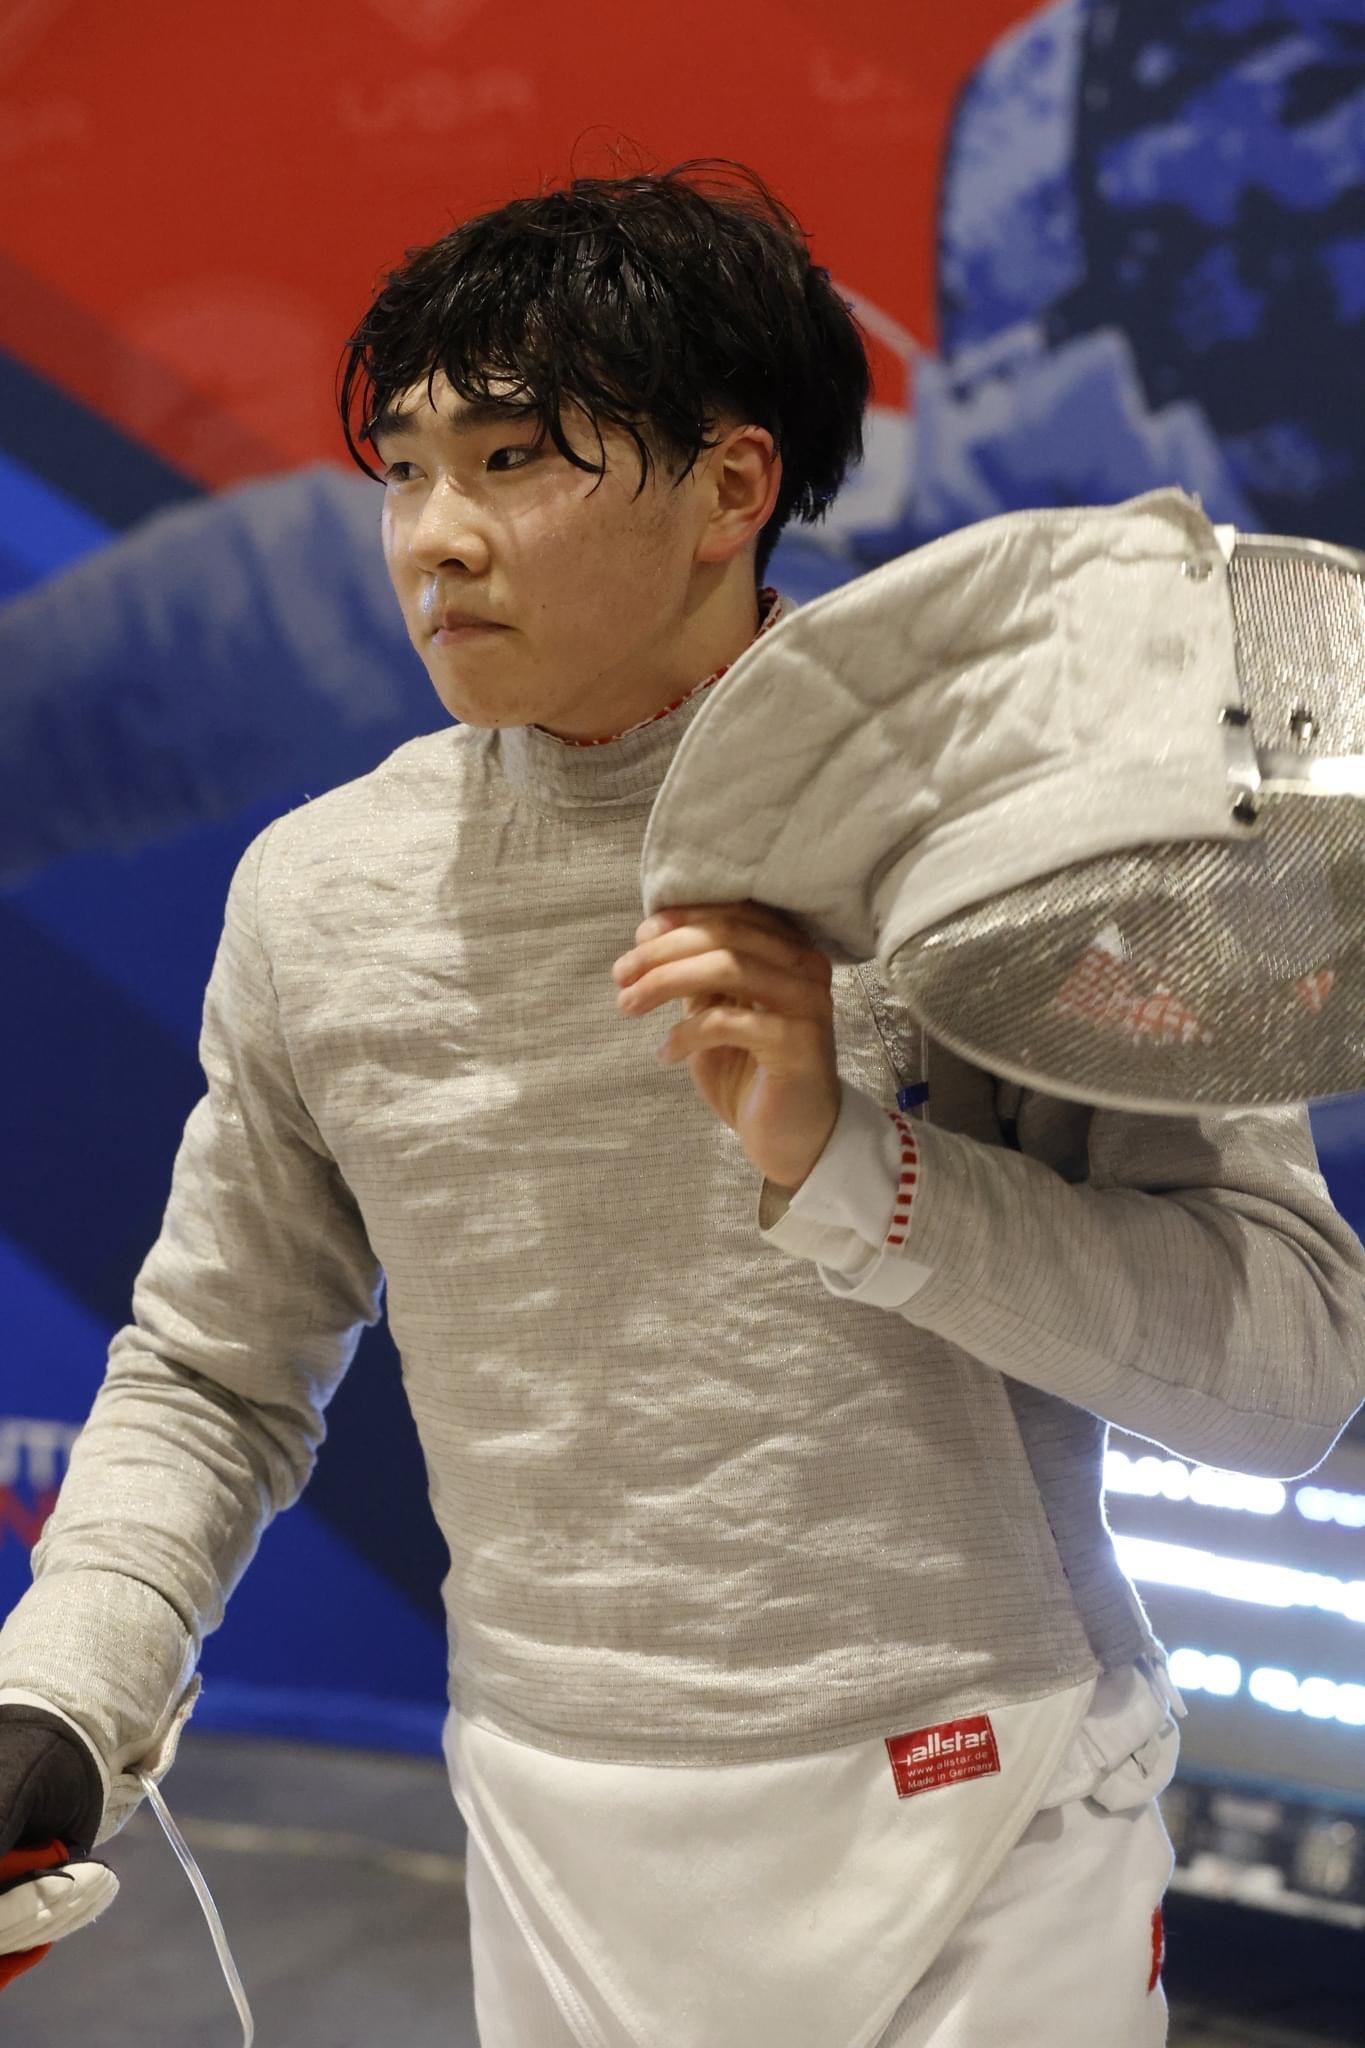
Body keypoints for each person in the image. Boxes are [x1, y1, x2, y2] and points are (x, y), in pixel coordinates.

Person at [1, 158, 1363, 2048]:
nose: (433, 539)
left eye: (512, 461)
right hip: (554, 1826)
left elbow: (1287, 1368)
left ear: (731, 488)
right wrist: (61, 1699)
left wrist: (858, 1167)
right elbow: (211, 1375)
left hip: (988, 1810)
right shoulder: (323, 895)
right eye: (404, 469)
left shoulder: (1008, 846)